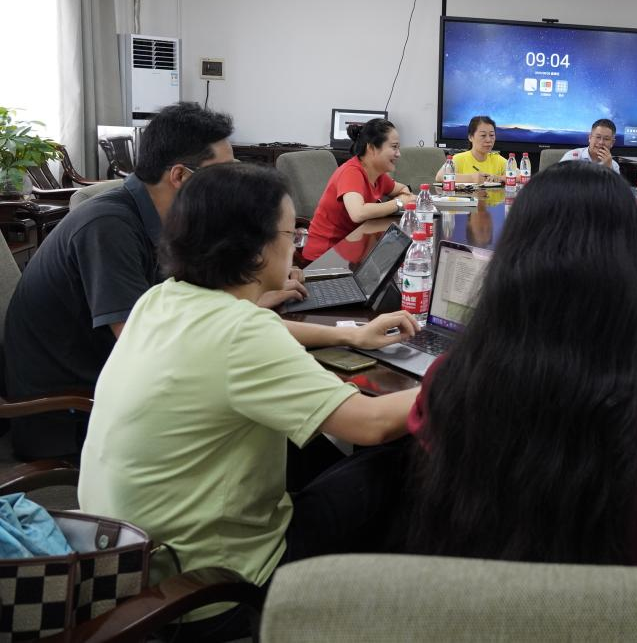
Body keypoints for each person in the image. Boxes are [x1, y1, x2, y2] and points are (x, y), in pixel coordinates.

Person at [78, 164, 421, 638]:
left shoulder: (161, 298)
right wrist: (467, 369)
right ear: (256, 250)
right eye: (291, 233)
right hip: (208, 588)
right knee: (401, 459)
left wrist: (352, 335)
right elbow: (371, 423)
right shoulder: (241, 332)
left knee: (315, 451)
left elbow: (256, 328)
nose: (296, 245)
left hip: (125, 565)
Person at [403, 162, 637, 566]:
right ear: (628, 266)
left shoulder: (452, 383)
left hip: (488, 604)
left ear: (511, 258)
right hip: (635, 606)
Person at [3, 103, 409, 461]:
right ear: (181, 176)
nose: (235, 185)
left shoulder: (173, 226)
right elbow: (155, 340)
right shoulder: (107, 227)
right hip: (70, 415)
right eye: (225, 174)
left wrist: (332, 329)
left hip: (129, 391)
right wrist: (250, 306)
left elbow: (199, 324)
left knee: (309, 443)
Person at [302, 118, 412, 261]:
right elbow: (358, 213)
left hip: (351, 249)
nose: (398, 154)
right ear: (371, 148)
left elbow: (403, 188)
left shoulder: (378, 175)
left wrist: (403, 198)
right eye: (394, 147)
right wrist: (399, 203)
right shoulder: (351, 172)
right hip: (325, 257)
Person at [447, 115, 507, 184]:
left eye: (491, 135)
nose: (488, 140)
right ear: (470, 137)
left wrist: (499, 178)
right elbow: (440, 176)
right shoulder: (459, 159)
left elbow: (517, 176)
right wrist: (472, 178)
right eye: (483, 135)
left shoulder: (498, 160)